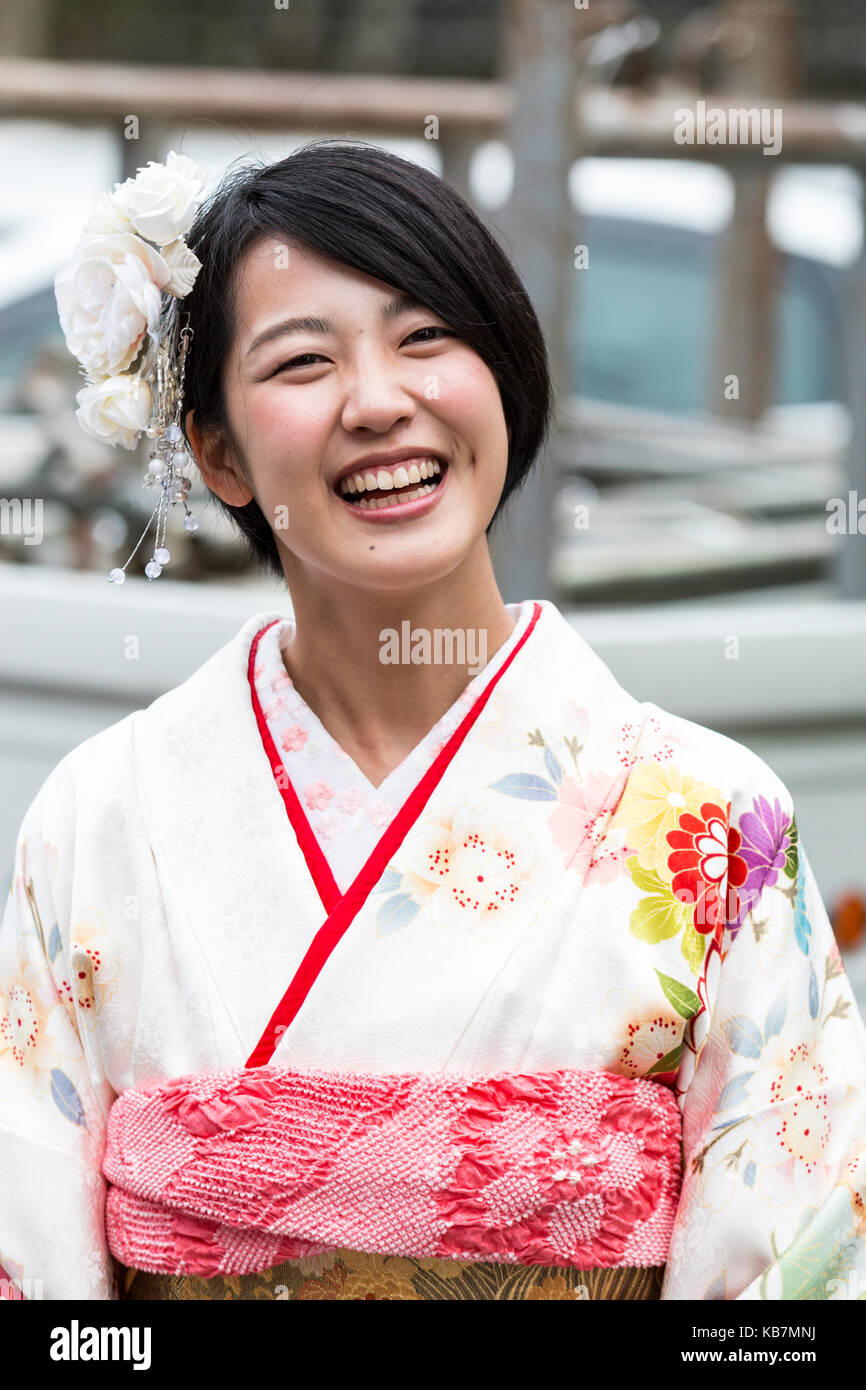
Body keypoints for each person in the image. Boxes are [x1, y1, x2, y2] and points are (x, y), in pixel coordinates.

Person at [1, 141, 864, 1303]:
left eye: (424, 339)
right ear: (218, 451)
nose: (377, 402)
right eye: (302, 362)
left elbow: (794, 1278)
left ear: (500, 374)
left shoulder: (710, 818)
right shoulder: (104, 816)